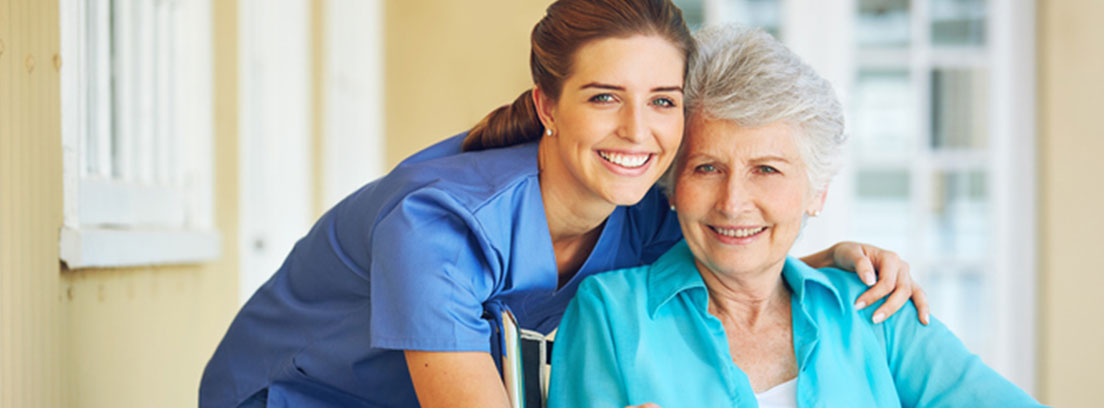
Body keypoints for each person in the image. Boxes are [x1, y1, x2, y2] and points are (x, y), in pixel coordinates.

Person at [200, 1, 929, 407]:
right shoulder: (438, 226)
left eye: (664, 102)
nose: (637, 132)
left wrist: (823, 260)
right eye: (604, 97)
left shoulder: (642, 209)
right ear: (549, 105)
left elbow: (732, 246)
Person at [548, 24, 1042, 408]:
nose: (733, 202)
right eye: (706, 168)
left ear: (817, 191)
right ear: (672, 186)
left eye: (766, 169)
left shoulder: (875, 308)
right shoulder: (610, 313)